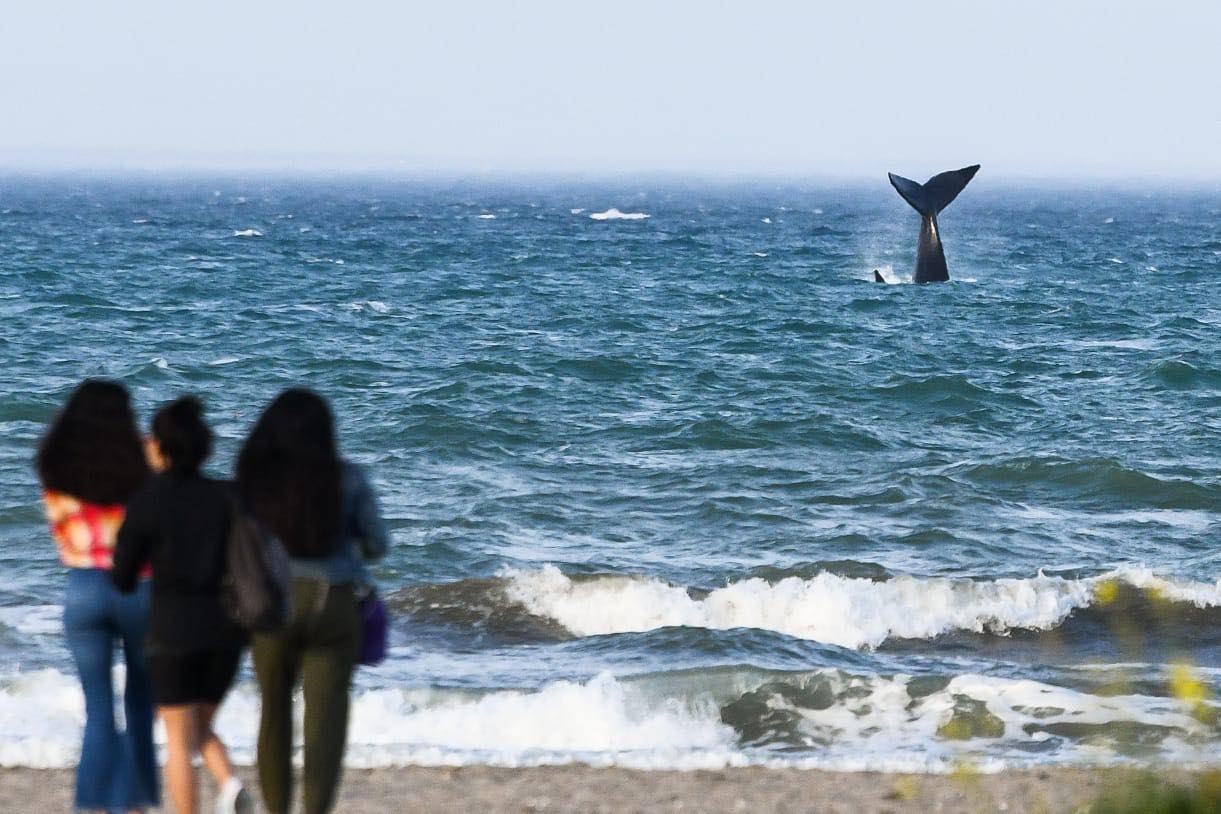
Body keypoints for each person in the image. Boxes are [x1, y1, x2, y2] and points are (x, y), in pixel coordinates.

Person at [236, 388, 389, 814]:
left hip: (272, 604)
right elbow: (377, 543)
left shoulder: (256, 480)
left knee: (273, 714)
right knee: (325, 722)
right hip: (333, 601)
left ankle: (277, 809)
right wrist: (345, 552)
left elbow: (241, 547)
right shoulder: (348, 477)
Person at [111, 397, 252, 814]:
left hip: (173, 629)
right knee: (200, 727)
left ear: (160, 446)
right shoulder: (228, 497)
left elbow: (123, 577)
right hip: (227, 632)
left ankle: (217, 793)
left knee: (177, 739)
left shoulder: (147, 501)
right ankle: (228, 784)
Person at [34, 379, 159, 813]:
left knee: (99, 712)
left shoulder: (54, 465)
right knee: (142, 707)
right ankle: (135, 804)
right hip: (139, 585)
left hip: (84, 587)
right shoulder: (143, 461)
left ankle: (90, 807)